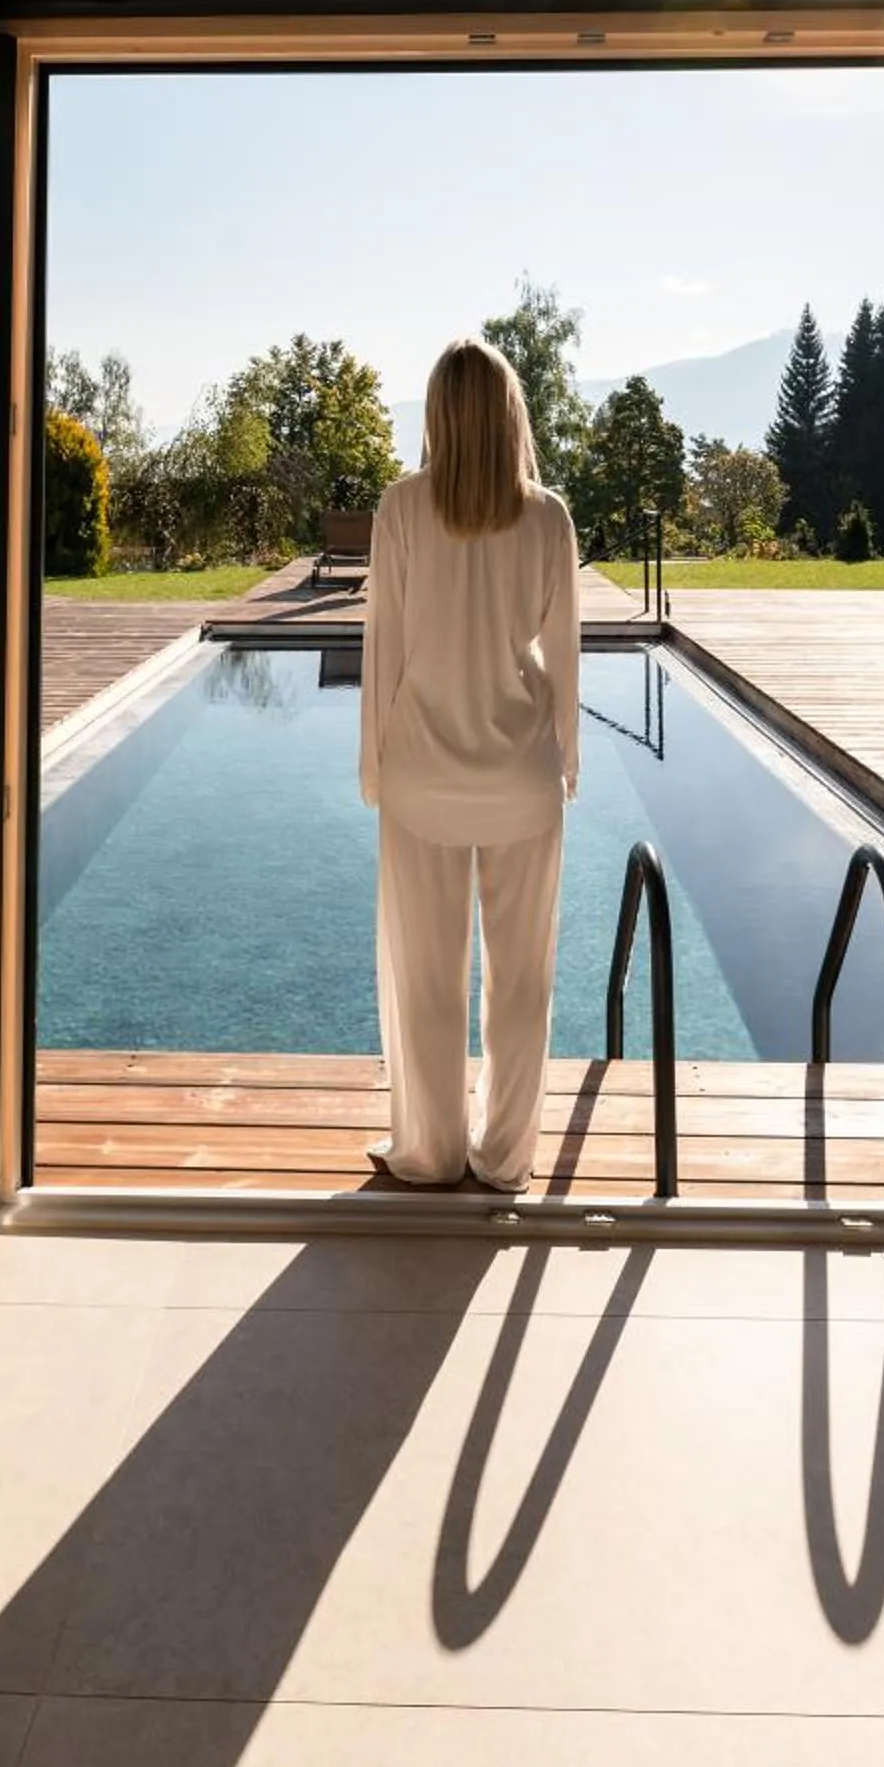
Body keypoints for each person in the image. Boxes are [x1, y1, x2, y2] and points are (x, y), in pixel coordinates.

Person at [358, 336, 581, 1191]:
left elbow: (384, 651)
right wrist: (567, 763)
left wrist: (375, 769)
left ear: (438, 417)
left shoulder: (402, 509)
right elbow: (563, 655)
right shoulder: (548, 517)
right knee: (522, 982)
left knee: (426, 979)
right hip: (522, 780)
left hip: (421, 779)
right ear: (510, 412)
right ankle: (504, 1157)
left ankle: (430, 1150)